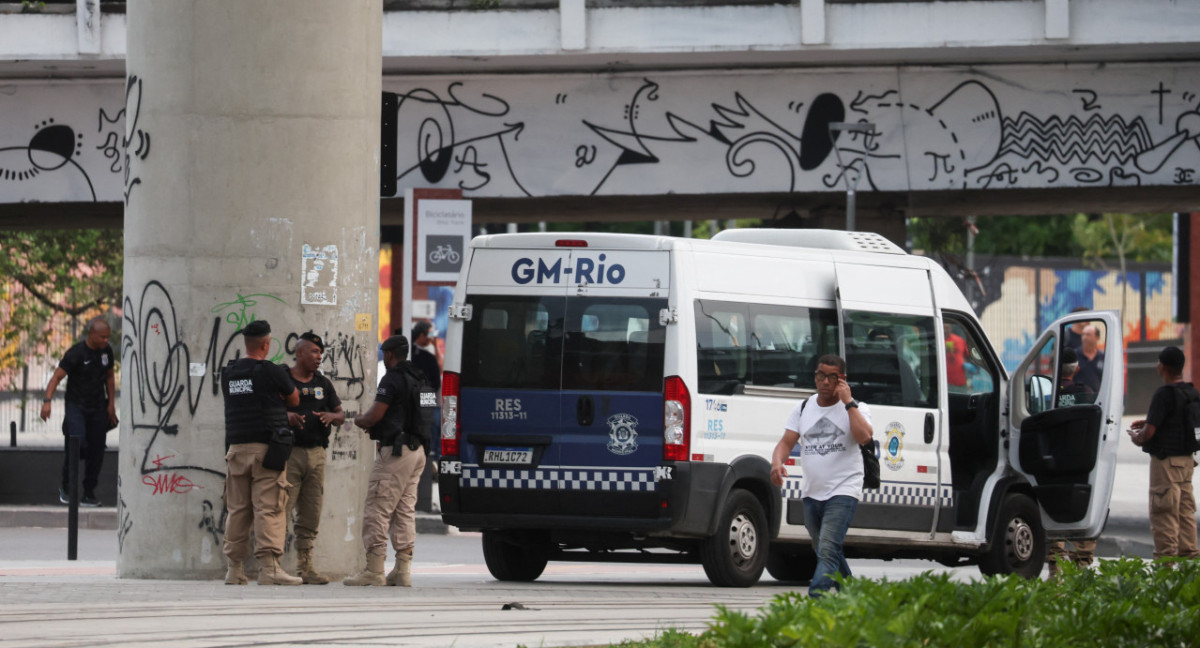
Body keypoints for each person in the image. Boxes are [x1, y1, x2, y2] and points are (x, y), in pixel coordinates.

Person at [770, 354, 873, 597]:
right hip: (812, 492)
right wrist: (776, 463)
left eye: (832, 377)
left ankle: (816, 598)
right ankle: (854, 596)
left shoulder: (858, 408)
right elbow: (785, 442)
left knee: (827, 548)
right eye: (820, 375)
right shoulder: (804, 407)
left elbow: (865, 437)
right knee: (825, 549)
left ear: (842, 379)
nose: (825, 381)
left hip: (844, 490)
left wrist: (848, 403)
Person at [220, 320, 302, 586]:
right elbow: (294, 399)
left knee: (237, 509)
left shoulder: (229, 372)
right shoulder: (270, 371)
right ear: (266, 344)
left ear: (245, 343)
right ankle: (269, 569)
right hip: (266, 450)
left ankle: (234, 569)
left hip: (236, 449)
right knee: (269, 507)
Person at [344, 335, 429, 587]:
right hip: (419, 452)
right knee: (404, 510)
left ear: (390, 354)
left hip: (396, 452)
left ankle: (374, 568)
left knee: (377, 508)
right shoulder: (422, 378)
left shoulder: (391, 379)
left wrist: (358, 420)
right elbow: (428, 413)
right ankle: (402, 570)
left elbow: (375, 415)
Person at [283, 332, 344, 585]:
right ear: (299, 353)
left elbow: (340, 413)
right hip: (289, 454)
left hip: (316, 453)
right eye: (314, 352)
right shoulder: (284, 379)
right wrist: (287, 417)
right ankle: (272, 564)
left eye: (321, 353)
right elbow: (270, 409)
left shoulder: (323, 383)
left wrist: (331, 417)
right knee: (280, 509)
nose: (319, 357)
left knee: (311, 512)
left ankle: (305, 566)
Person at [1128, 346, 1200, 562]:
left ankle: (1165, 572)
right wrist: (1148, 423)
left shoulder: (1163, 394)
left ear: (1164, 367)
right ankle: (1190, 569)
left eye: (1159, 362)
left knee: (1164, 514)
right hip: (1186, 463)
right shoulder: (1191, 392)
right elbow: (1177, 422)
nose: (1157, 365)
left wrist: (1136, 436)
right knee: (1185, 513)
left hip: (1165, 465)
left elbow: (1149, 433)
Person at [41, 318, 119, 507]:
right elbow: (56, 377)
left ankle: (88, 493)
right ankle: (67, 487)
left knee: (97, 450)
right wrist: (47, 401)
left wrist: (111, 405)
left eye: (108, 337)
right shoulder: (76, 353)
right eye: (102, 337)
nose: (106, 340)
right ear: (92, 334)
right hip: (77, 407)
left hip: (98, 407)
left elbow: (109, 377)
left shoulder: (106, 352)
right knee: (77, 443)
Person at [1046, 347, 1097, 576]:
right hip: (1081, 464)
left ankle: (1056, 571)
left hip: (1053, 464)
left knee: (1052, 511)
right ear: (1076, 369)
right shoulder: (1086, 393)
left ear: (1053, 367)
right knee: (1083, 510)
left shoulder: (1047, 394)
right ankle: (1082, 569)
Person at [1074, 324, 1105, 394]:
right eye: (1083, 334)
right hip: (1078, 398)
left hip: (1097, 399)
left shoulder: (1103, 357)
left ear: (1097, 337)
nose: (1084, 337)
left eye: (1088, 335)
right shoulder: (1074, 355)